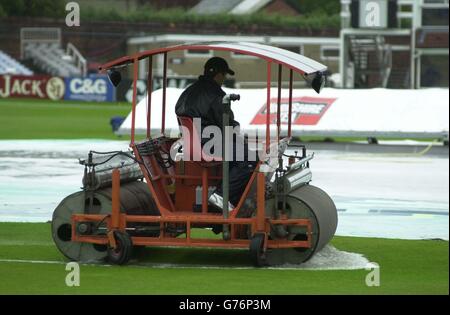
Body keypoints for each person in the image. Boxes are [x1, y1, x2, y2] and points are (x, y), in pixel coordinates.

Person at [175, 57, 257, 211]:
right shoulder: (217, 95)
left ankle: (221, 199)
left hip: (192, 144)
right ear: (219, 75)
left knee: (239, 154)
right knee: (250, 158)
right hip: (209, 144)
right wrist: (241, 140)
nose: (224, 79)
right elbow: (228, 126)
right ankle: (220, 196)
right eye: (224, 75)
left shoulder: (188, 92)